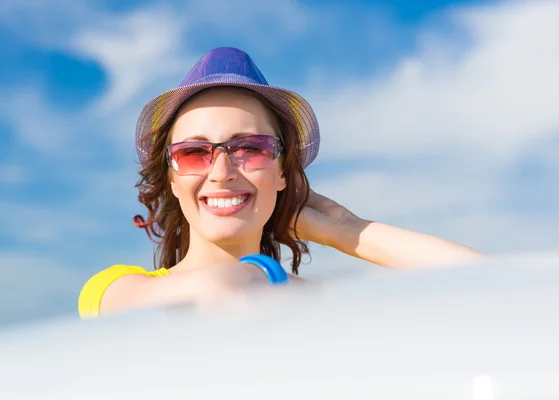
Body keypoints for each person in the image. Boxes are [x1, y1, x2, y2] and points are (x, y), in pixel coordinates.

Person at [78, 47, 487, 318]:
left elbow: (497, 285)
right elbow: (223, 291)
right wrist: (273, 277)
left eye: (249, 147)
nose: (221, 171)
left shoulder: (308, 300)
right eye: (193, 152)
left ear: (282, 173)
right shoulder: (112, 288)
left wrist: (345, 229)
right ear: (171, 177)